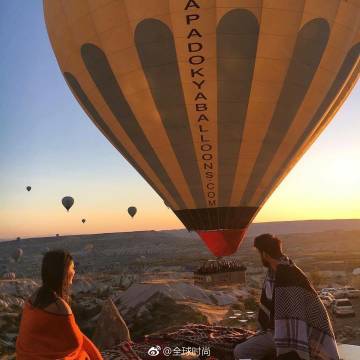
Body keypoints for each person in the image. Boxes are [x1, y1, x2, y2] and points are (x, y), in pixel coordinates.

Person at [234, 234, 339, 360]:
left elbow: (290, 321)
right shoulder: (281, 270)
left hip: (297, 333)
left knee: (240, 352)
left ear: (265, 254)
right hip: (290, 330)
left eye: (259, 253)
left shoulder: (286, 275)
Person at [16, 250, 103, 359]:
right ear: (64, 272)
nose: (74, 272)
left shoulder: (35, 297)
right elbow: (75, 342)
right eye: (72, 268)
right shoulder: (60, 307)